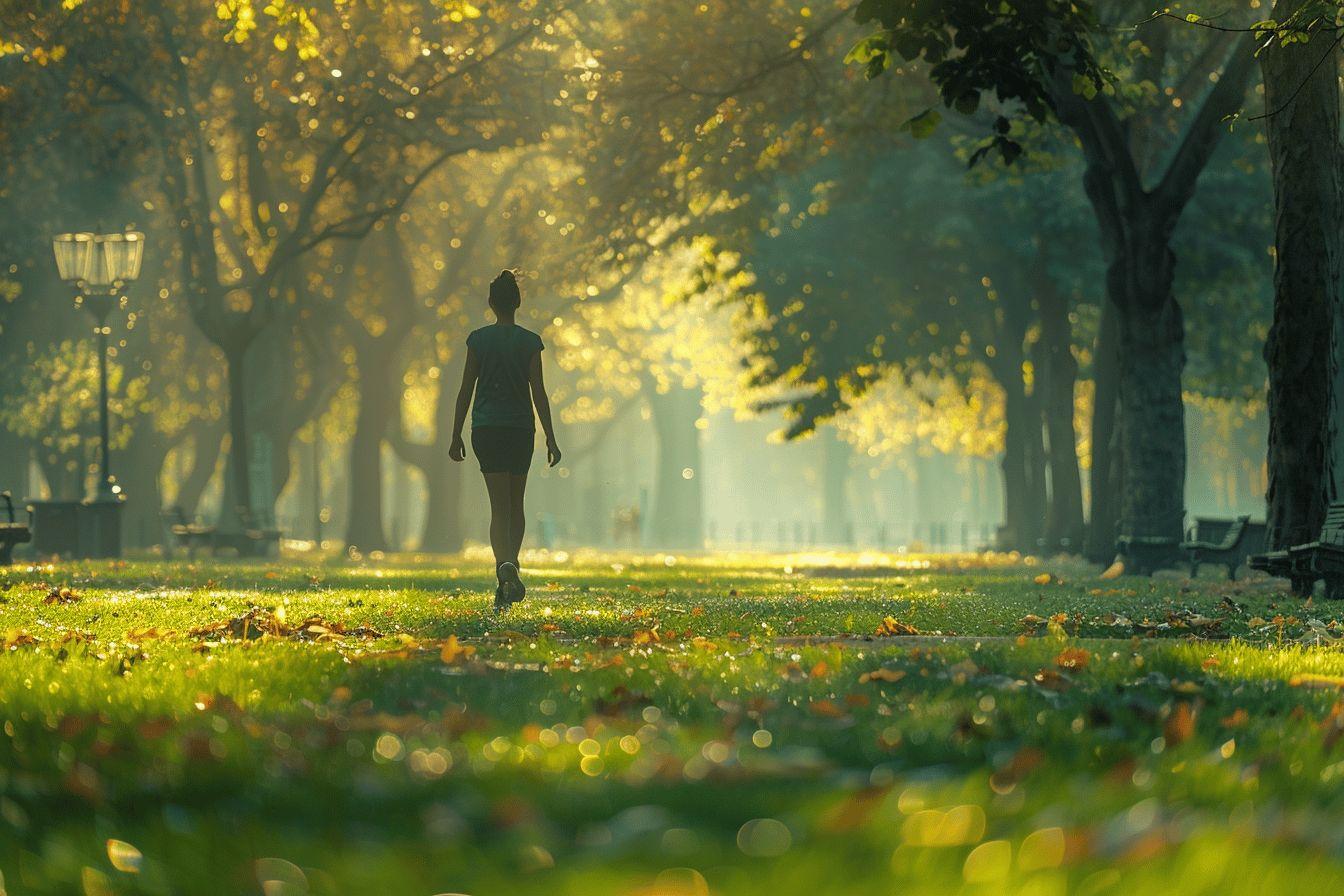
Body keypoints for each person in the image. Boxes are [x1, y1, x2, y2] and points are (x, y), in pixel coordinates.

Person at [449, 270, 561, 611]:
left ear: (491, 303)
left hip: (486, 429)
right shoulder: (530, 342)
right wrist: (551, 439)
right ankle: (512, 562)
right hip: (519, 430)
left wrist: (455, 434)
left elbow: (466, 389)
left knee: (498, 508)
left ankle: (503, 572)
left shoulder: (478, 340)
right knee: (516, 504)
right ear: (518, 303)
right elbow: (538, 392)